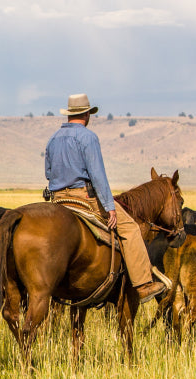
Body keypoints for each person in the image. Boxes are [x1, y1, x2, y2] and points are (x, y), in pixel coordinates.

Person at [43, 93, 168, 303]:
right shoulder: (88, 137)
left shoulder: (53, 139)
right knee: (131, 228)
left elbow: (48, 172)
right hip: (83, 197)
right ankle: (144, 284)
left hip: (57, 199)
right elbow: (97, 175)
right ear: (86, 114)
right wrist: (109, 206)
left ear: (69, 115)